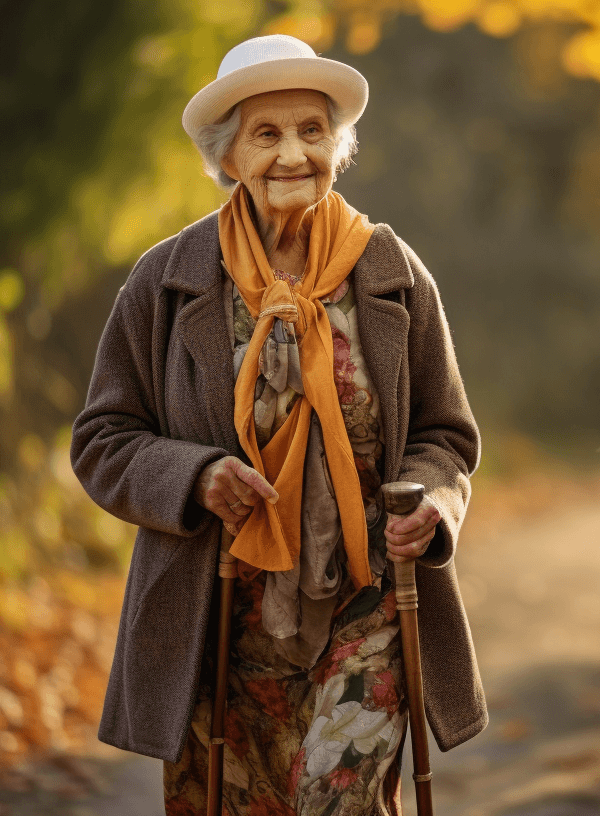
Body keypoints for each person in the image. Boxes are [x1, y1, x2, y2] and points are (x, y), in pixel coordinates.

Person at [69, 34, 486, 815]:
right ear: (227, 156)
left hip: (366, 605)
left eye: (312, 131)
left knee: (339, 804)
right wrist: (194, 476)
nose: (294, 154)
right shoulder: (168, 280)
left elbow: (446, 434)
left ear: (338, 146)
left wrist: (433, 501)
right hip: (217, 619)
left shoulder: (391, 273)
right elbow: (102, 439)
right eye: (267, 134)